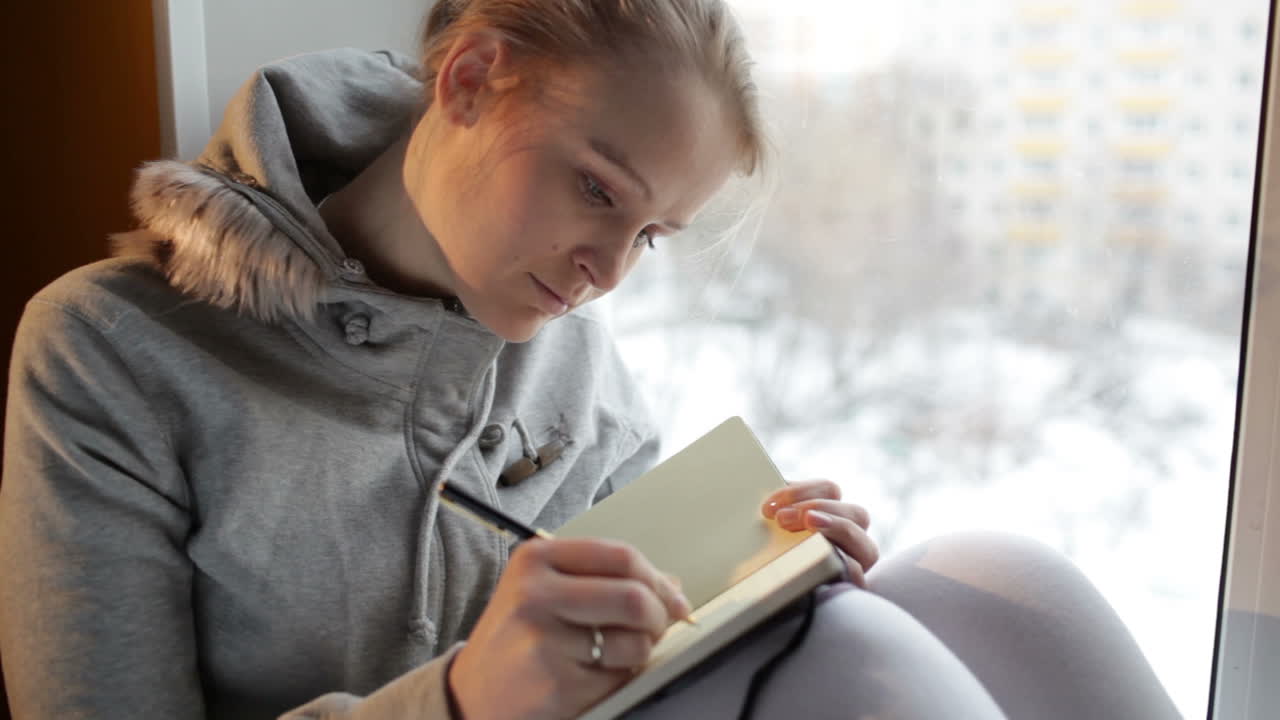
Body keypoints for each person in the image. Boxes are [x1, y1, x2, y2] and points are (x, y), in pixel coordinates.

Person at [0, 1, 1183, 718]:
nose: (605, 271)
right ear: (467, 79)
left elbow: (645, 646)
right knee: (857, 657)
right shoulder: (115, 354)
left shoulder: (569, 361)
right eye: (595, 189)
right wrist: (464, 703)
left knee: (991, 579)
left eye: (649, 231)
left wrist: (754, 574)